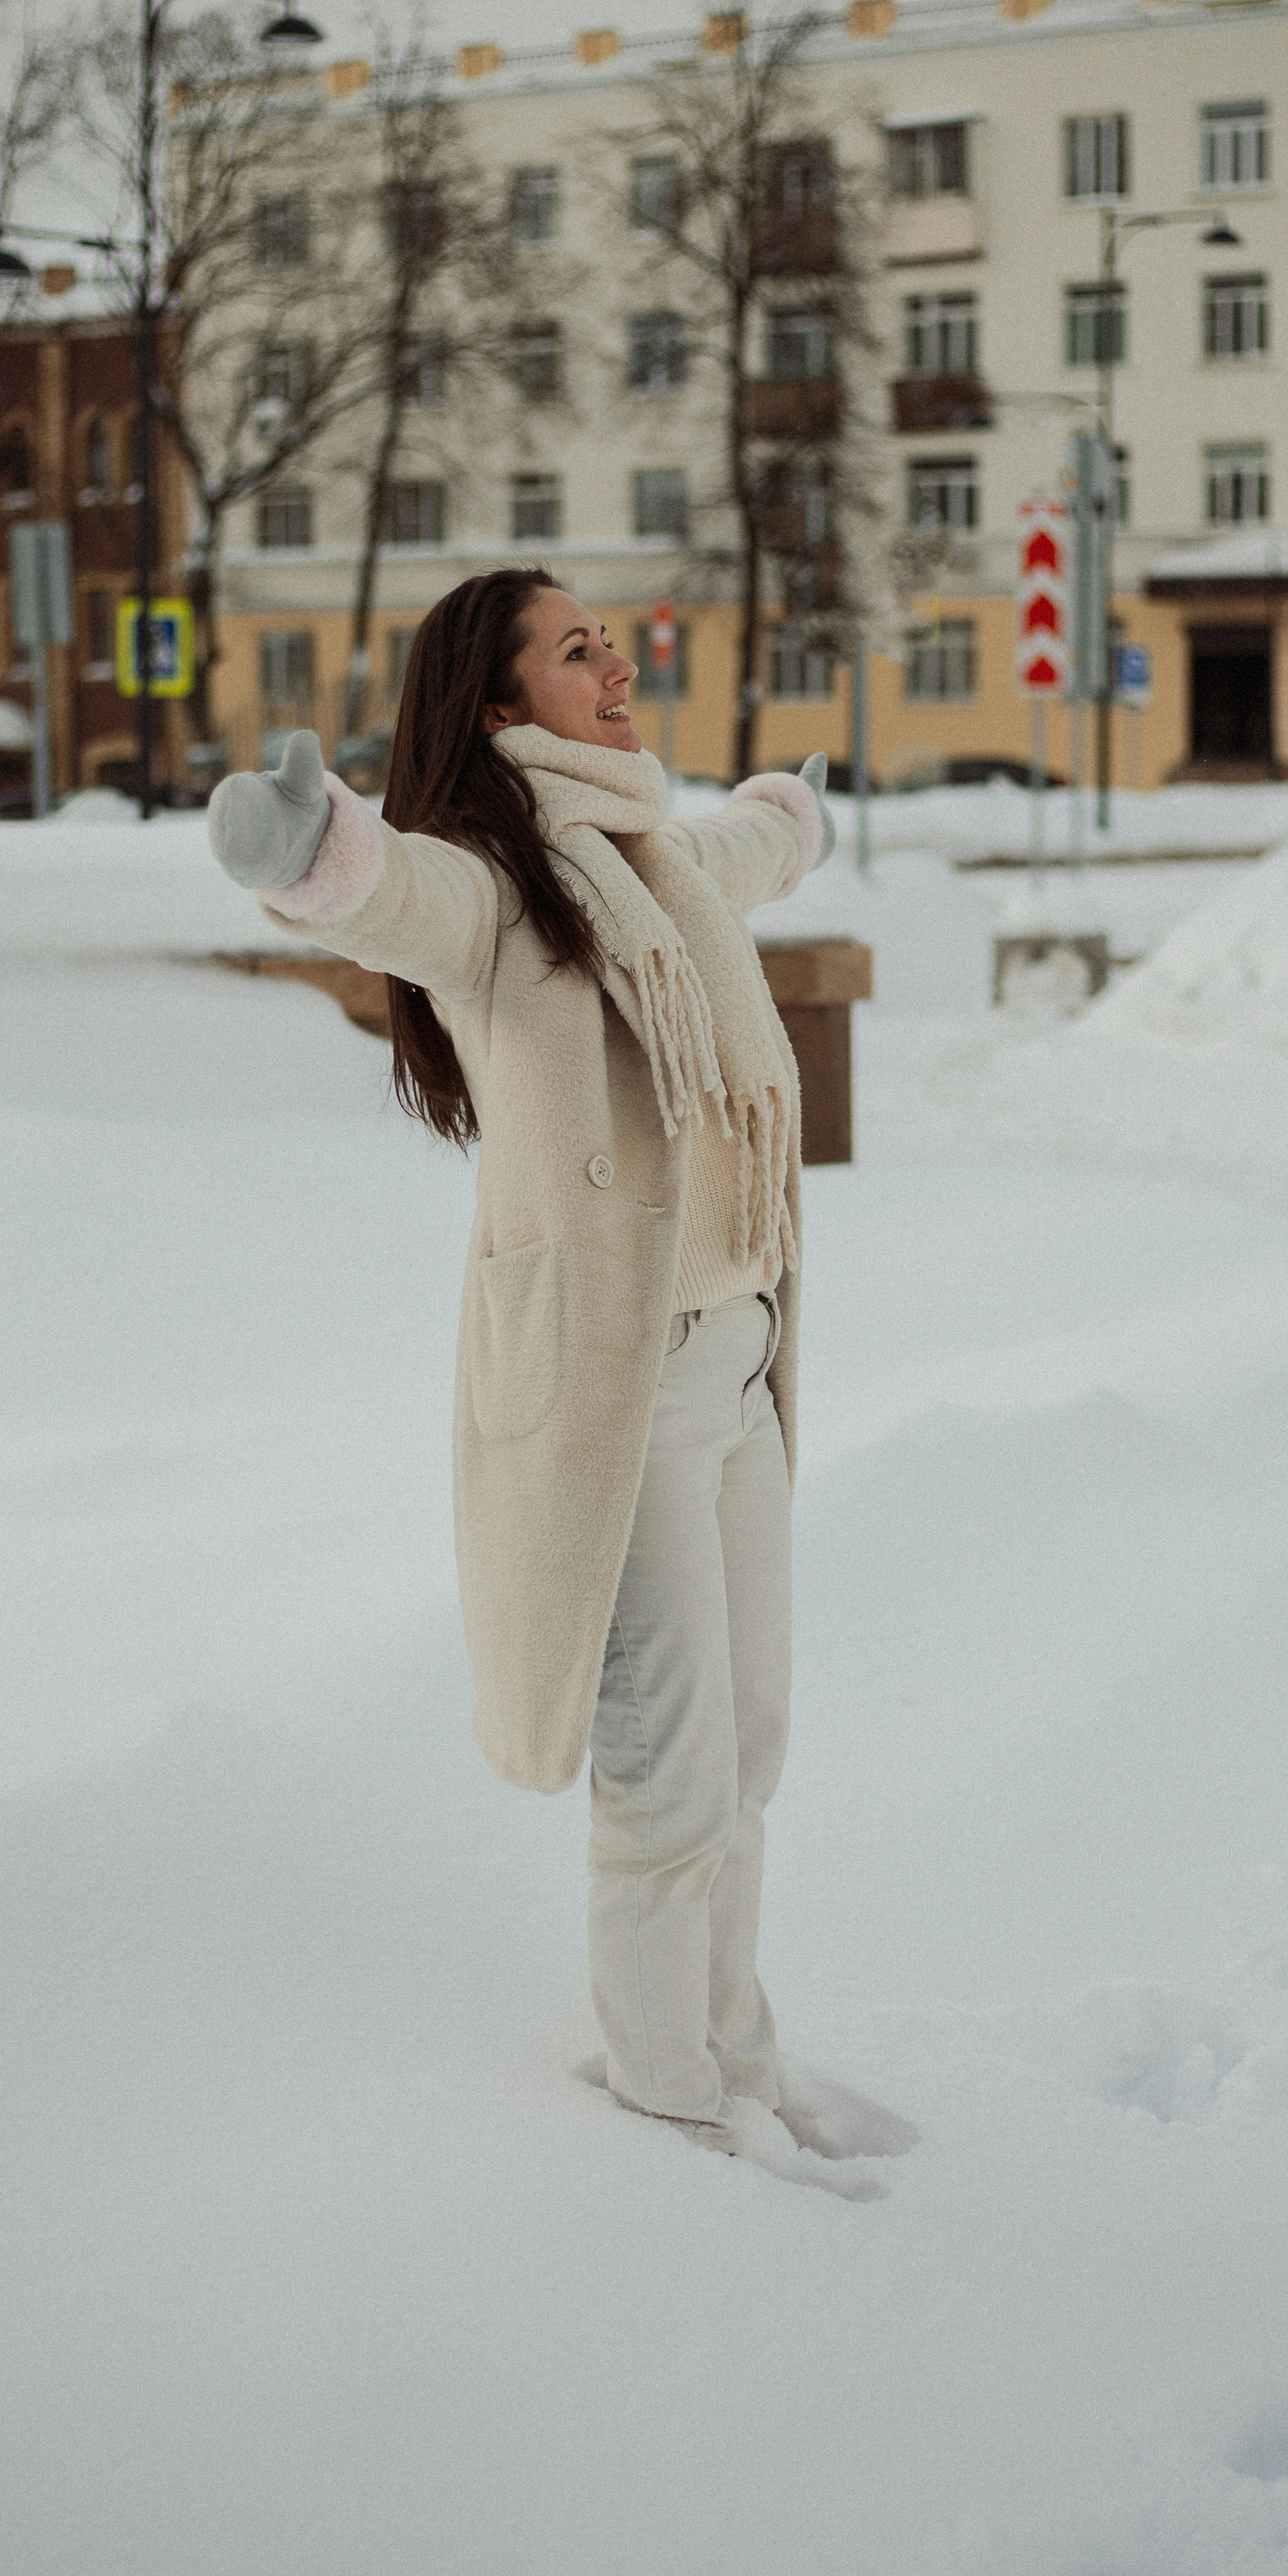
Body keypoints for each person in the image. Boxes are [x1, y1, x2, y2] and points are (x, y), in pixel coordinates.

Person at [207, 567, 911, 2191]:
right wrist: (306, 855)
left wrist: (785, 814)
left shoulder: (653, 850)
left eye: (613, 637)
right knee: (666, 1779)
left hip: (736, 1367)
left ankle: (737, 2057)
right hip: (624, 1391)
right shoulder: (504, 889)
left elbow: (738, 851)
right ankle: (667, 2116)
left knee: (750, 1753)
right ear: (502, 705)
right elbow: (398, 900)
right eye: (577, 649)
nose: (619, 661)